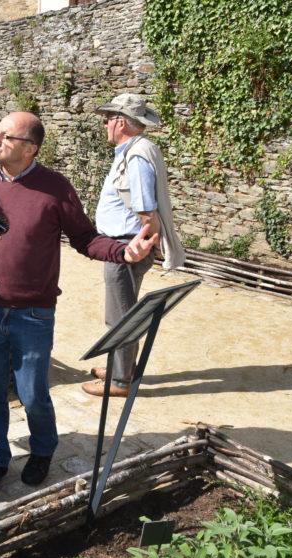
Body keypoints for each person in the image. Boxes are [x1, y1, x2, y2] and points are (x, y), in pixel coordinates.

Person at [0, 112, 157, 489]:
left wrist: (122, 252)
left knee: (32, 394)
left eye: (5, 136)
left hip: (33, 313)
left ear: (30, 148)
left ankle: (43, 450)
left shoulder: (55, 187)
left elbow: (85, 238)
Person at [82, 93, 184, 398]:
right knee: (125, 310)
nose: (104, 124)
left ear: (121, 122)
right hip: (127, 244)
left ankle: (120, 381)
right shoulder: (137, 150)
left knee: (120, 317)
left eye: (107, 118)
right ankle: (121, 367)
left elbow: (145, 210)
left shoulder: (136, 155)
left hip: (126, 246)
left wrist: (147, 243)